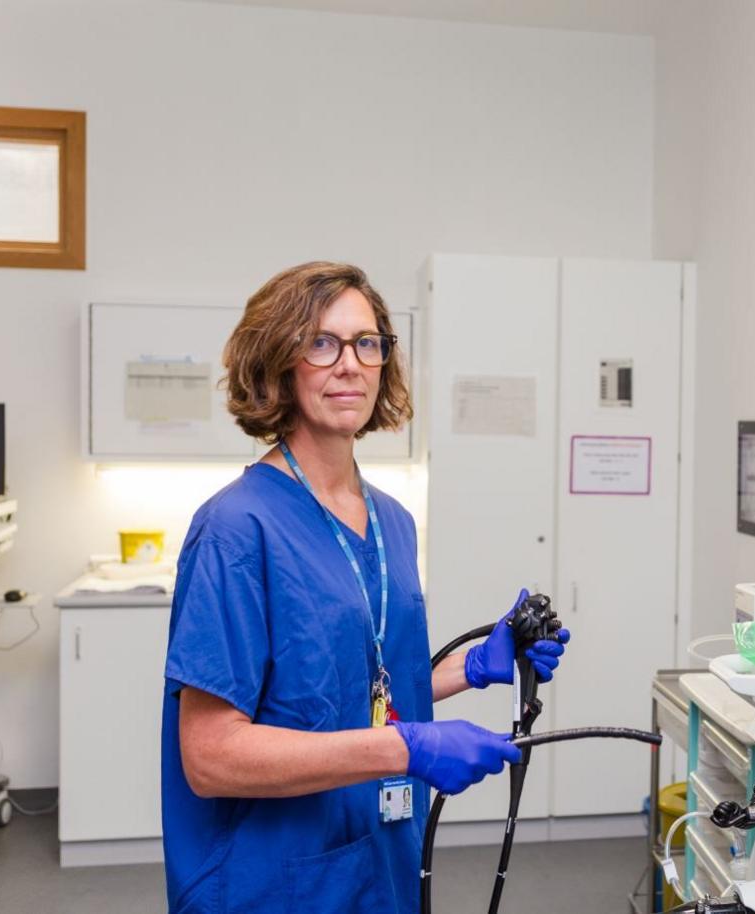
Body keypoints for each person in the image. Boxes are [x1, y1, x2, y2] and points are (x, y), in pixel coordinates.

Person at [159, 261, 569, 913]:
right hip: (274, 882)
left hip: (381, 864)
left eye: (368, 342)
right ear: (279, 364)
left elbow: (347, 686)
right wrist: (405, 745)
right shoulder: (237, 528)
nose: (350, 363)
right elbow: (210, 757)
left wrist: (473, 667)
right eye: (322, 342)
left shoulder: (393, 522)